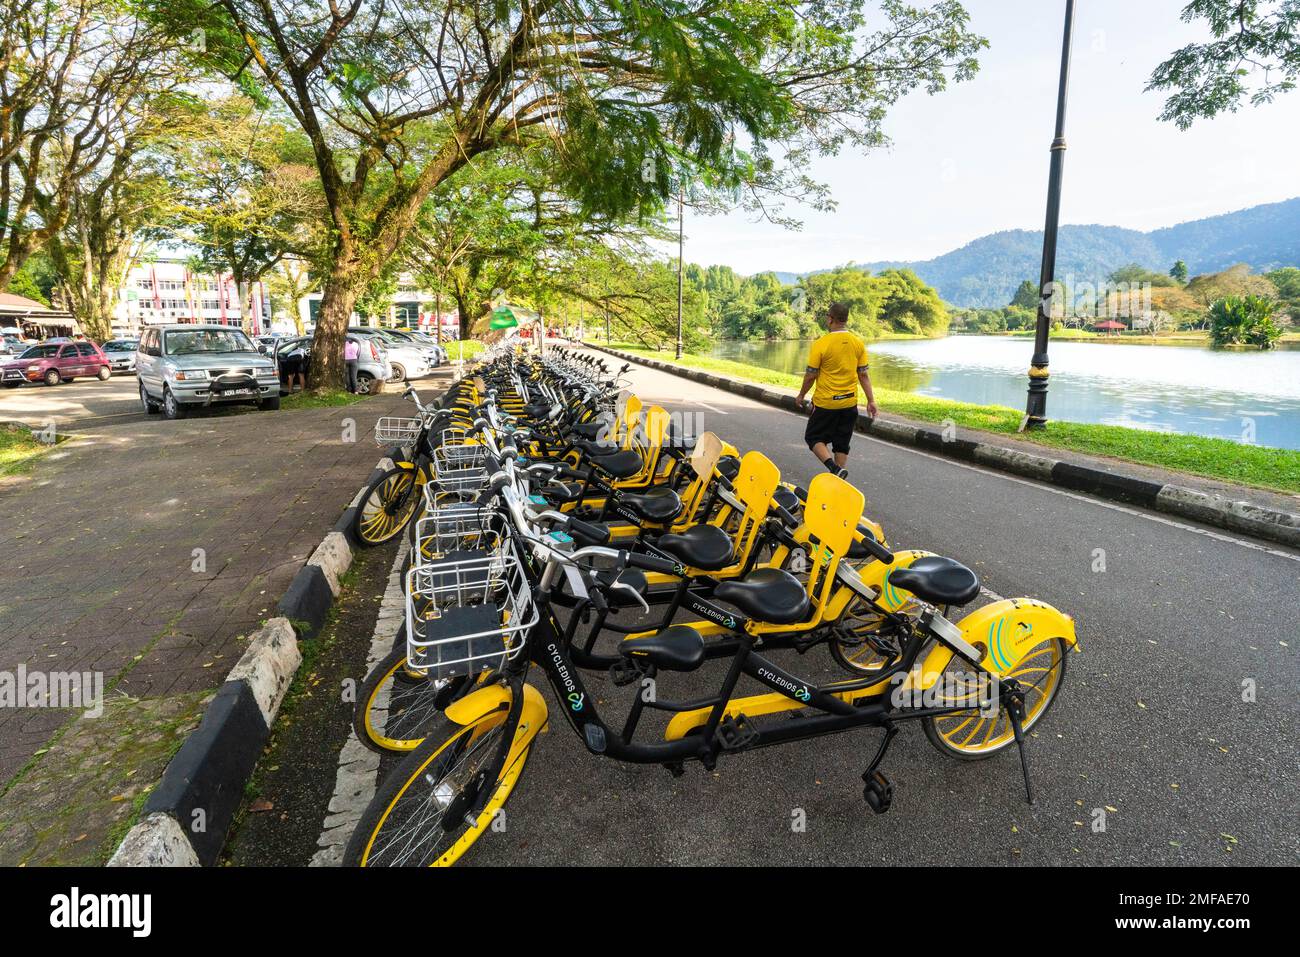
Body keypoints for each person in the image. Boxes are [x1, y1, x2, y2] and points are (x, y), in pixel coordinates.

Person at [795, 301, 877, 479]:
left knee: (813, 437)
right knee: (841, 443)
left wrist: (802, 394)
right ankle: (838, 479)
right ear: (845, 320)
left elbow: (811, 375)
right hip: (849, 403)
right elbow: (864, 375)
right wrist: (871, 401)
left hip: (826, 403)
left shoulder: (821, 343)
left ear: (830, 319)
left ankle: (833, 468)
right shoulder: (858, 343)